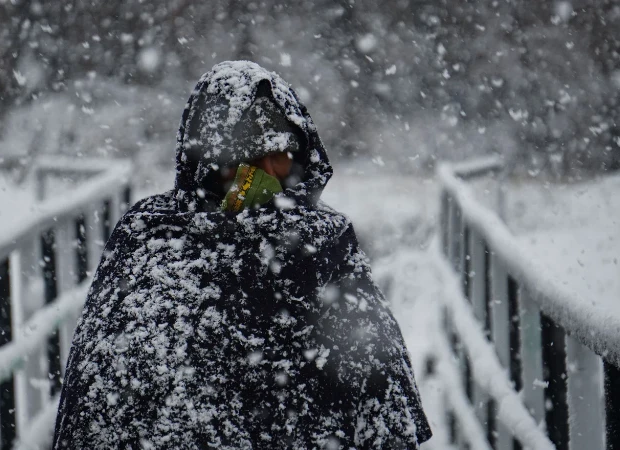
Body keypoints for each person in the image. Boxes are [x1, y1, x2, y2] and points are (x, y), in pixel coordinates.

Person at [52, 61, 431, 449]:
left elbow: (383, 399)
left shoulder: (326, 244)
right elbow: (109, 395)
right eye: (245, 160)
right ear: (209, 166)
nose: (265, 175)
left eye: (280, 155)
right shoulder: (154, 238)